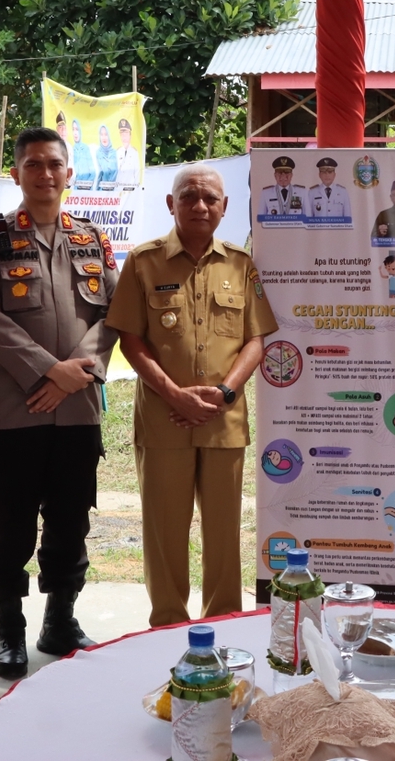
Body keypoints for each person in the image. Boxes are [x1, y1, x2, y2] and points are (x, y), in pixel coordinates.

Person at [0, 127, 121, 680]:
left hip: (77, 412)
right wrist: (47, 370)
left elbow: (112, 317)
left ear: (69, 173)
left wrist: (71, 376)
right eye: (33, 164)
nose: (45, 174)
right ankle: (10, 631)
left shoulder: (94, 241)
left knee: (70, 519)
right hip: (14, 412)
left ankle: (60, 621)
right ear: (17, 174)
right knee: (9, 524)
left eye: (54, 163)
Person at [107, 165, 277, 626]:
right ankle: (166, 624)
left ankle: (222, 623)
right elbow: (131, 340)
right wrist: (175, 395)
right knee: (164, 531)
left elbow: (256, 340)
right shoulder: (143, 262)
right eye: (190, 197)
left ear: (224, 207)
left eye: (210, 199)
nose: (200, 206)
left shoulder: (241, 265)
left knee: (223, 532)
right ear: (171, 203)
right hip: (165, 420)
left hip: (224, 422)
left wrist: (225, 392)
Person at [70, 119, 96, 190]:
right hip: (75, 190)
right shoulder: (71, 150)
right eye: (73, 129)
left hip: (87, 191)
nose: (75, 133)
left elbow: (93, 173)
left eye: (77, 129)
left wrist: (85, 186)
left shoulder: (85, 148)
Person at [114, 117, 141, 187]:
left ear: (130, 135)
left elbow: (137, 173)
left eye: (126, 133)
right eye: (122, 134)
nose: (124, 136)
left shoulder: (135, 153)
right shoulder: (117, 152)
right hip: (118, 189)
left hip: (130, 190)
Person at [95, 124, 118, 190]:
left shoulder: (114, 152)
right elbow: (99, 174)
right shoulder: (98, 153)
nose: (104, 137)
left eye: (106, 134)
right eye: (101, 134)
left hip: (114, 190)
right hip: (102, 190)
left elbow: (116, 172)